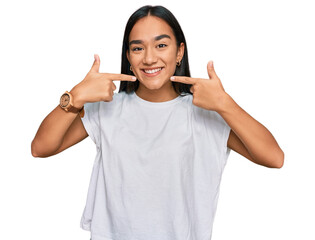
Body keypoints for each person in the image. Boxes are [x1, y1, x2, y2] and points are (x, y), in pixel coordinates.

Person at [31, 5, 284, 240]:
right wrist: (75, 96)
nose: (149, 58)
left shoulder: (205, 113)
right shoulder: (107, 109)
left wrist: (225, 104)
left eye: (161, 45)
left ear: (179, 52)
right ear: (128, 57)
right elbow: (41, 147)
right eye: (138, 48)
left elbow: (274, 158)